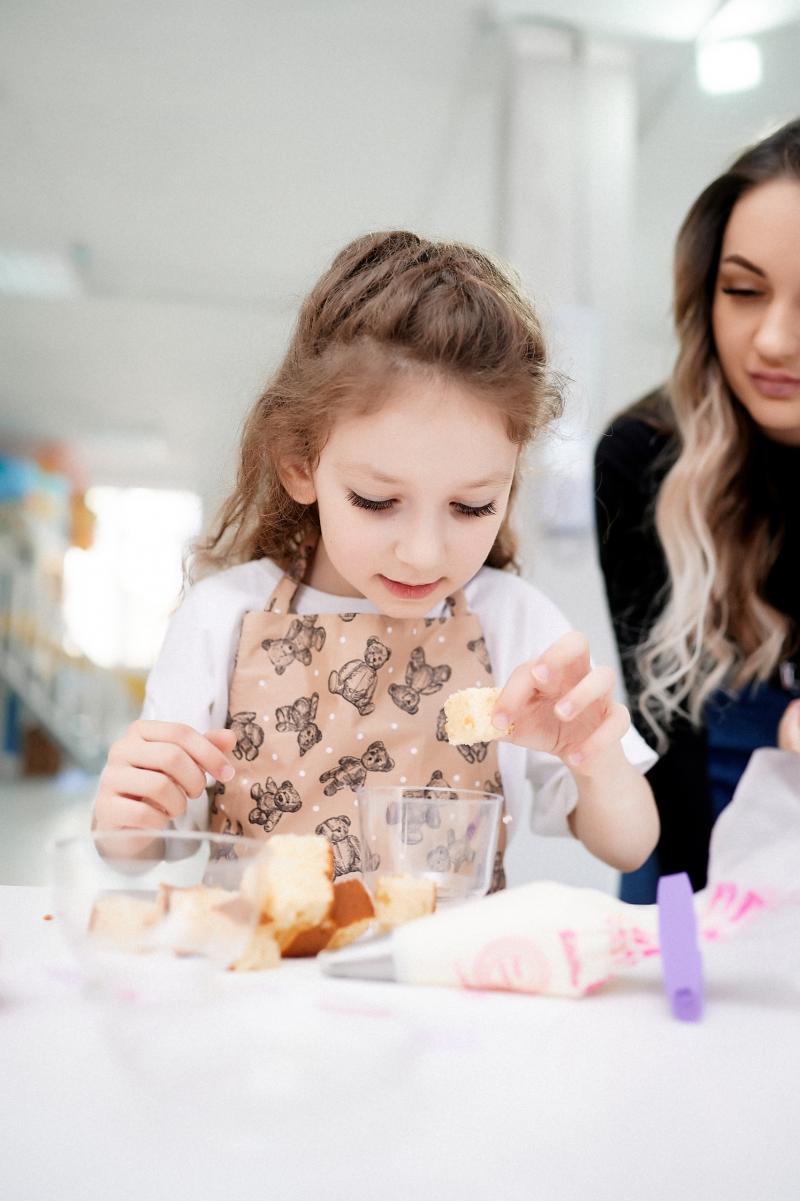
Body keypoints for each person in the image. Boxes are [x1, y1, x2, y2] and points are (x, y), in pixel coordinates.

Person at [93, 230, 658, 883]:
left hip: (449, 954)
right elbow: (143, 843)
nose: (422, 553)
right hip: (261, 951)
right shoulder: (221, 616)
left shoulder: (516, 624)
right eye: (376, 500)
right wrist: (127, 816)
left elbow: (631, 845)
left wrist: (594, 757)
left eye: (471, 506)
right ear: (300, 465)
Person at [595, 119, 800, 903]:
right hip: (690, 847)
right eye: (743, 291)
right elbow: (666, 741)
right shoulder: (642, 458)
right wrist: (684, 947)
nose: (773, 340)